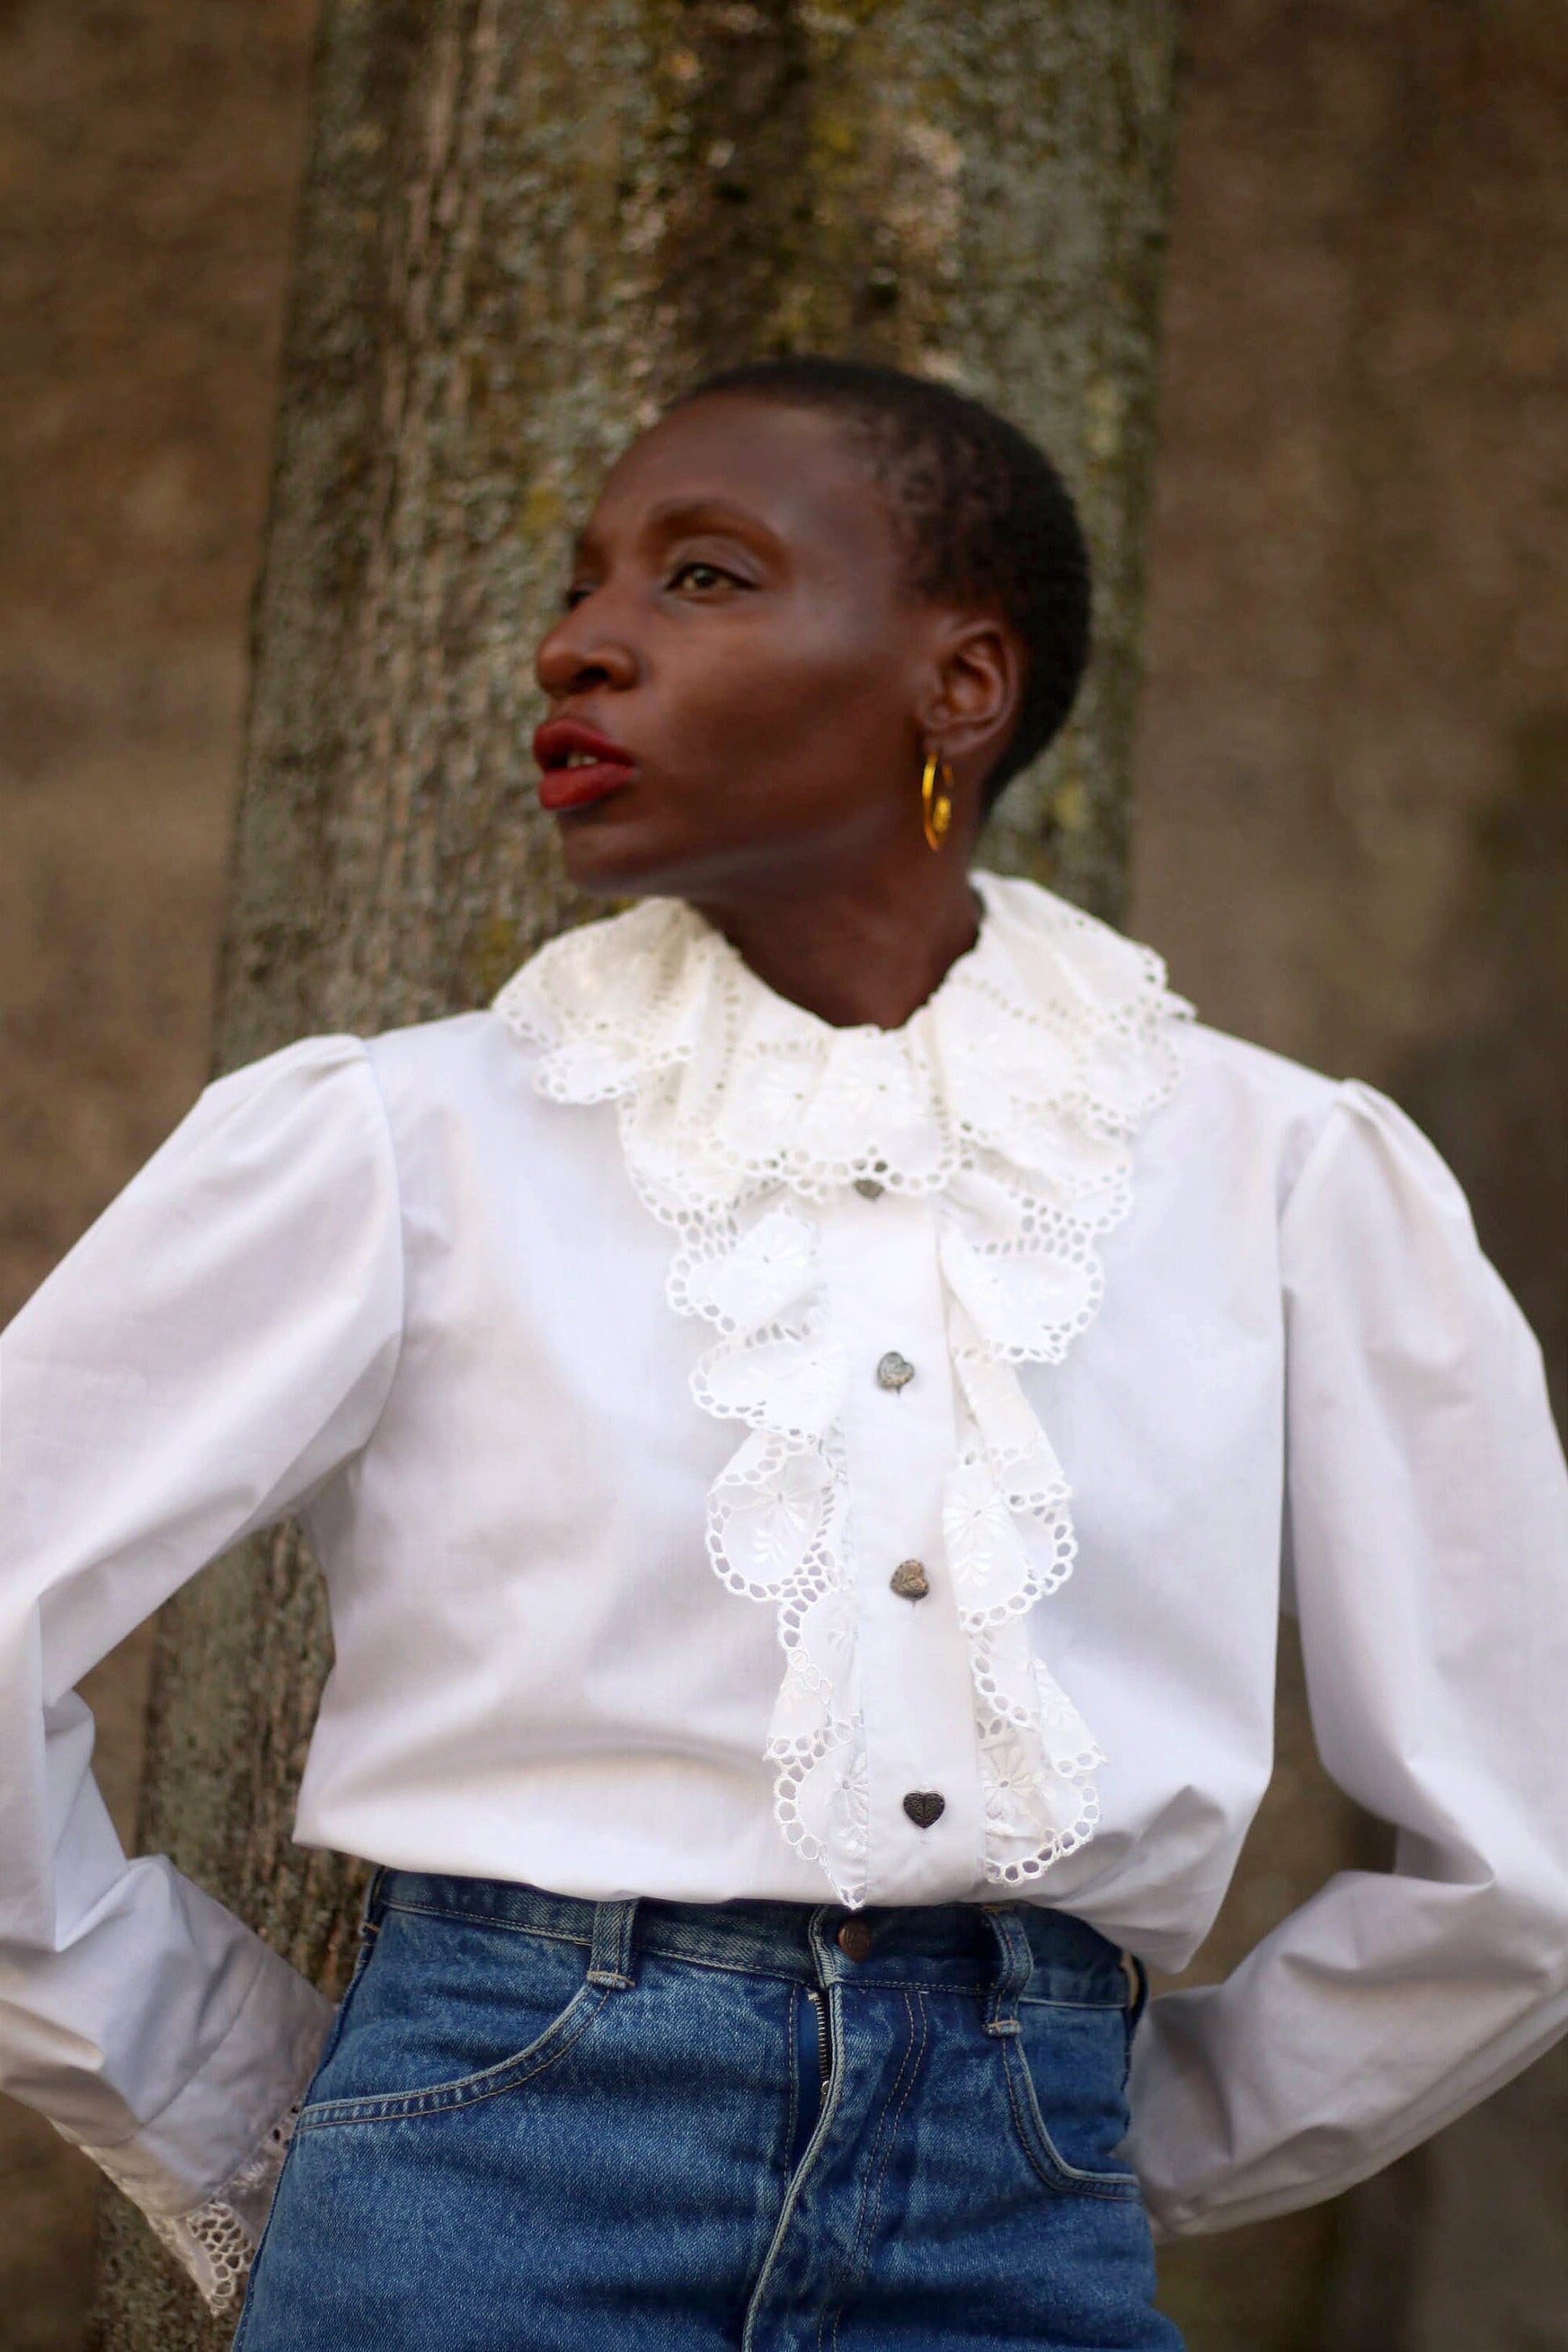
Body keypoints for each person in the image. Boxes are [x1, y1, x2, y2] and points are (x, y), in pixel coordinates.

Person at [3, 357, 1566, 2352]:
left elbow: (1516, 1850)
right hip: (477, 2190)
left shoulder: (1291, 1181)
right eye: (585, 586)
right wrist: (230, 2094)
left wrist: (1092, 2134)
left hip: (1022, 2233)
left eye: (707, 577)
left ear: (960, 685)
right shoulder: (392, 1144)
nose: (580, 642)